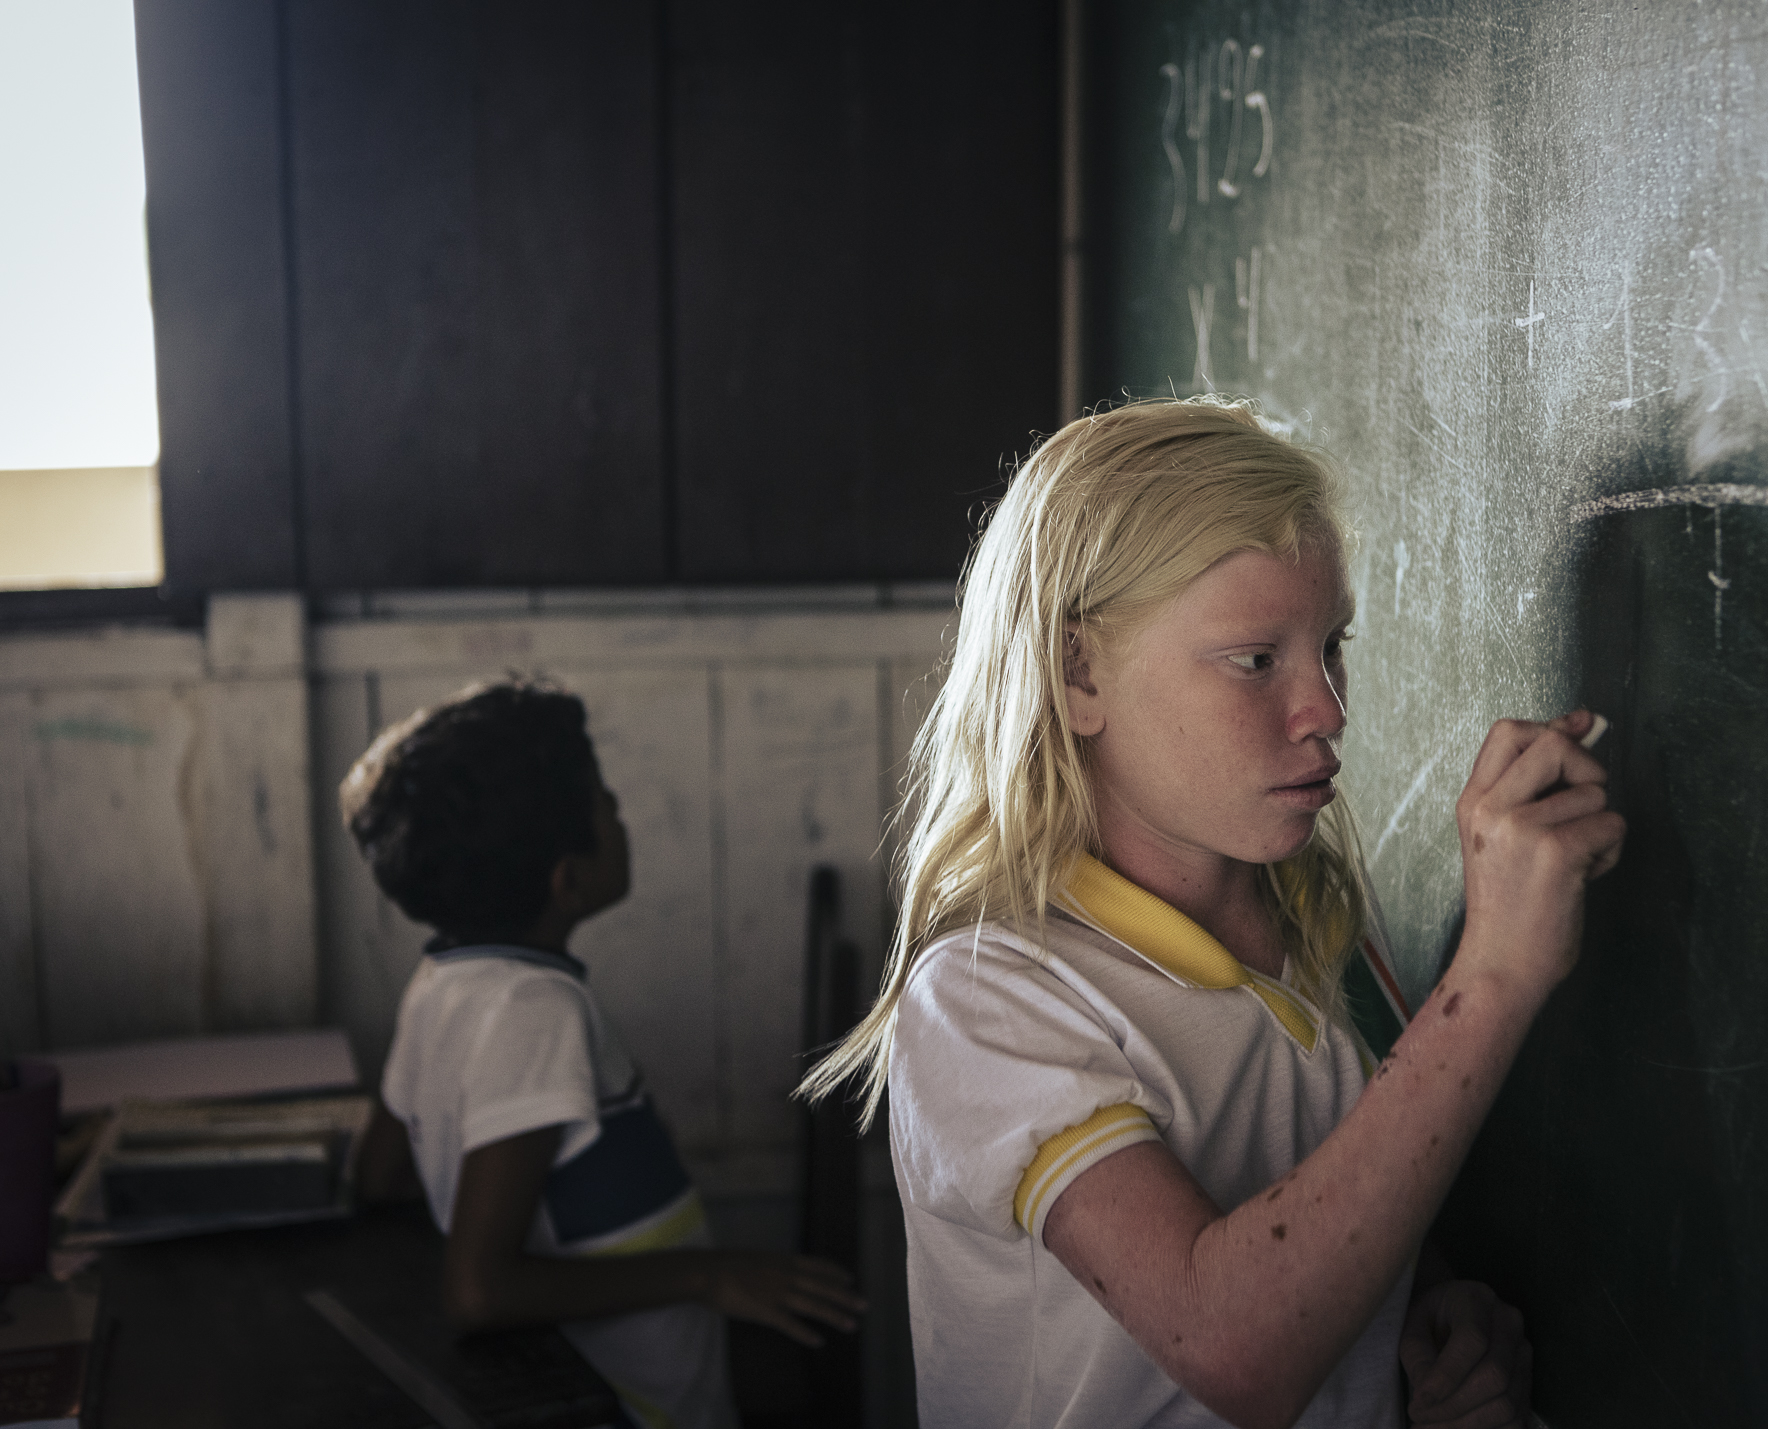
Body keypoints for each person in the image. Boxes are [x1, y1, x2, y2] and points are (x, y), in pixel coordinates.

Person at [800, 399, 1625, 1429]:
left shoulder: (1321, 930)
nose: (1325, 706)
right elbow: (1231, 1346)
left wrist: (1417, 1313)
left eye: (1331, 645)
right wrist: (1493, 975)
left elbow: (1327, 1200)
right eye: (1254, 660)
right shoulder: (992, 993)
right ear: (1078, 672)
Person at [346, 679, 864, 1429]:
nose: (619, 812)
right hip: (632, 1406)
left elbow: (380, 1173)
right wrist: (708, 1275)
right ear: (569, 878)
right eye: (603, 801)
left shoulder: (442, 982)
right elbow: (479, 1291)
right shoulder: (536, 1010)